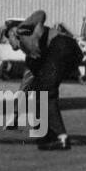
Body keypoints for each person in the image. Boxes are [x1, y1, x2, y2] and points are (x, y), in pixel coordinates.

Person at [10, 10, 78, 150]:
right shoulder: (32, 56)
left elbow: (41, 14)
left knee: (45, 93)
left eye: (7, 37)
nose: (9, 42)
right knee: (41, 92)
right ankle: (48, 135)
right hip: (70, 52)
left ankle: (60, 137)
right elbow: (26, 86)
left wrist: (23, 26)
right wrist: (15, 114)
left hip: (63, 46)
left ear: (12, 32)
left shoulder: (22, 32)